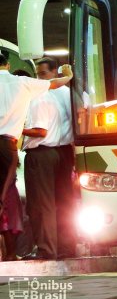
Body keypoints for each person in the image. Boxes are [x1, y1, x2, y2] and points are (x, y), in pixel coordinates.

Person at [0, 52, 73, 220]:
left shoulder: (28, 88)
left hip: (39, 151)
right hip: (8, 146)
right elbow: (53, 84)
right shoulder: (23, 84)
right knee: (7, 189)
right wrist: (68, 76)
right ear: (8, 65)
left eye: (42, 73)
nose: (40, 77)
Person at [21, 57, 76, 260]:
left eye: (43, 74)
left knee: (40, 204)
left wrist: (17, 127)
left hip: (42, 153)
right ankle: (67, 247)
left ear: (54, 73)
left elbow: (40, 131)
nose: (39, 79)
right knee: (65, 203)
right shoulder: (71, 94)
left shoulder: (39, 96)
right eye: (37, 75)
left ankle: (46, 249)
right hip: (64, 153)